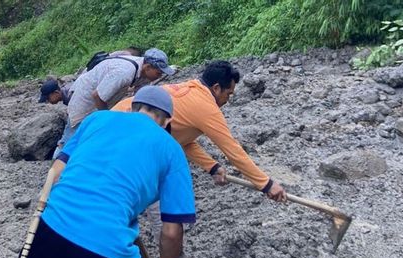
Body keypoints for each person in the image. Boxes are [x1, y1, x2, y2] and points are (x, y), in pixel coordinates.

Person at [3, 86, 195, 258]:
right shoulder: (172, 150)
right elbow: (172, 232)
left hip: (48, 233)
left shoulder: (97, 119)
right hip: (108, 251)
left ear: (133, 108)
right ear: (167, 122)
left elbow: (57, 172)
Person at [112, 61, 286, 238]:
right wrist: (266, 184)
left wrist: (212, 167)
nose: (228, 100)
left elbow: (181, 139)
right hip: (125, 140)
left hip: (117, 128)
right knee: (158, 209)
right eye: (228, 94)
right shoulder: (206, 107)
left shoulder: (192, 91)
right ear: (216, 88)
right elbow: (233, 150)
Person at [60, 48, 174, 149]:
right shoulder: (124, 72)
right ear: (148, 67)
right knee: (72, 137)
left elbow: (140, 99)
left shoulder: (144, 74)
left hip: (101, 98)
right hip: (85, 97)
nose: (159, 77)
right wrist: (107, 119)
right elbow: (97, 96)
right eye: (158, 73)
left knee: (94, 136)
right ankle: (56, 167)